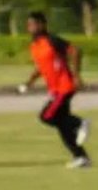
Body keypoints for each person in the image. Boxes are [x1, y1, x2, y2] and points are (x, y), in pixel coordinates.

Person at [18, 12, 91, 168]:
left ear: (42, 25)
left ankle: (80, 122)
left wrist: (77, 75)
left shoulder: (52, 40)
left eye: (34, 24)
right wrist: (29, 83)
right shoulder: (34, 46)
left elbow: (76, 51)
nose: (31, 28)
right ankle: (81, 157)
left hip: (65, 86)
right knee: (61, 124)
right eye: (29, 25)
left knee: (47, 116)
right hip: (54, 89)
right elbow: (40, 68)